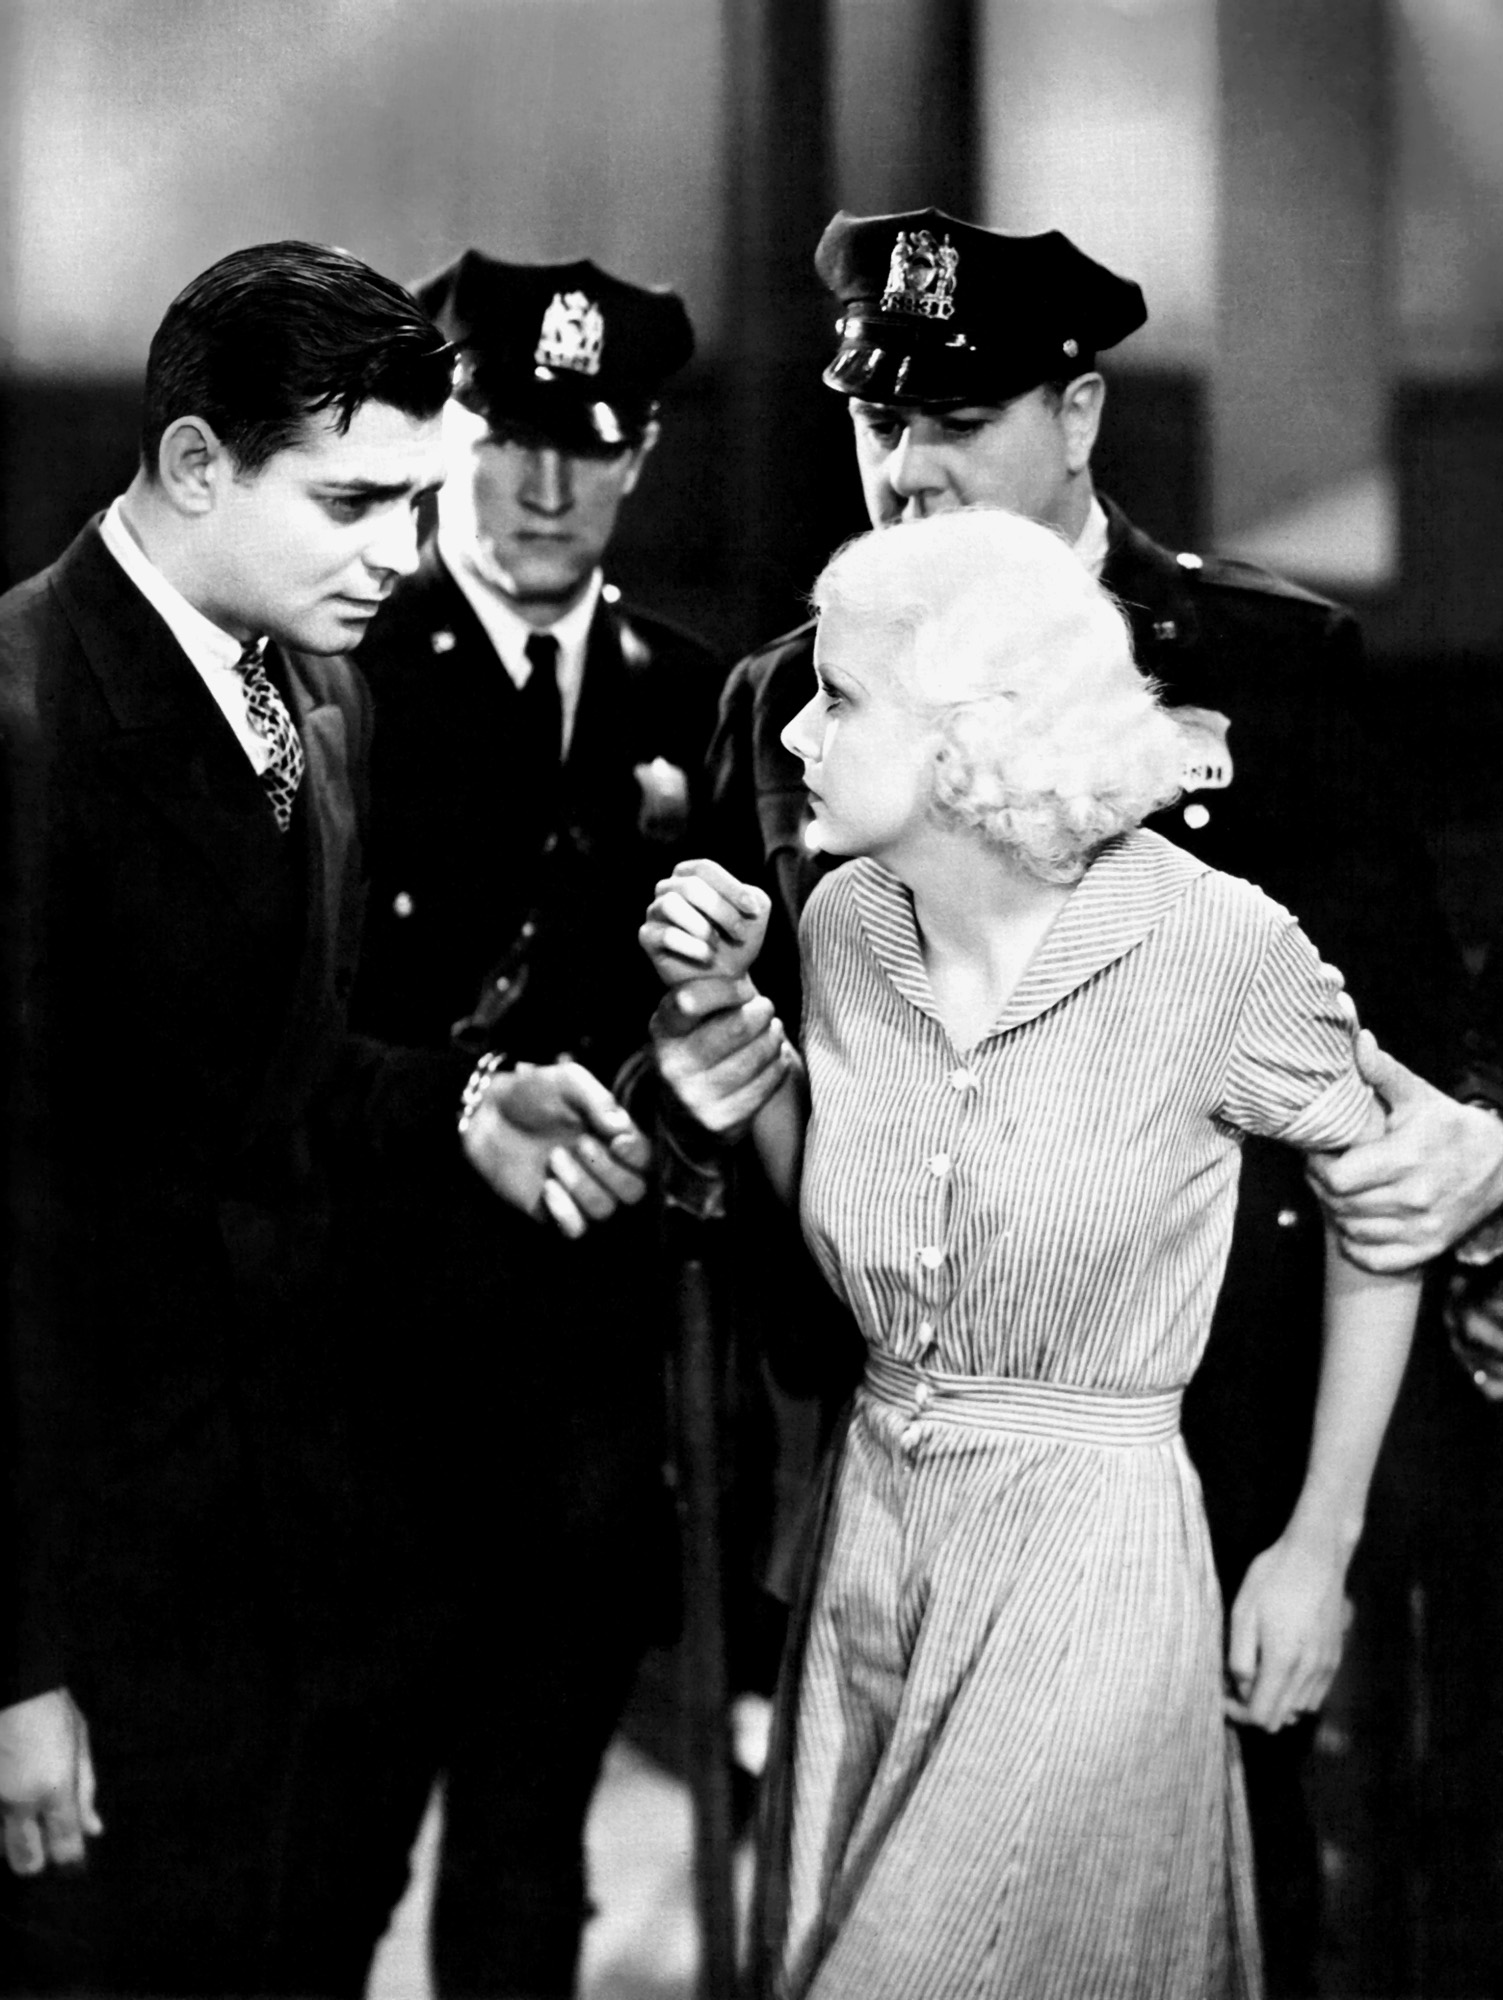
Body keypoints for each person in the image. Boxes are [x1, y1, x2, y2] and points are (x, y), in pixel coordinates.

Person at [666, 205, 1462, 1994]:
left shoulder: (1263, 675)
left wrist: (1319, 1534)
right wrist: (707, 1048)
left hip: (1185, 1455)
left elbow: (1406, 1101)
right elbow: (795, 1098)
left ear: (1080, 413)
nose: (909, 467)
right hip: (884, 1460)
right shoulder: (800, 718)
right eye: (880, 420)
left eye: (958, 417)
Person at [0, 240, 651, 1998]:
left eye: (416, 503)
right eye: (353, 503)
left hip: (282, 1553)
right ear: (196, 463)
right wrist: (19, 1664)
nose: (397, 553)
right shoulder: (27, 721)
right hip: (93, 1585)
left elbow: (269, 1073)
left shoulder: (320, 694)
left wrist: (465, 1105)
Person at [339, 248, 724, 1999]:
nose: (546, 487)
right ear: (447, 443)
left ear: (640, 454)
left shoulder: (690, 698)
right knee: (322, 1871)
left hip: (583, 1402)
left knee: (525, 1872)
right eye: (506, 439)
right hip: (365, 1395)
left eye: (589, 444)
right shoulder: (338, 670)